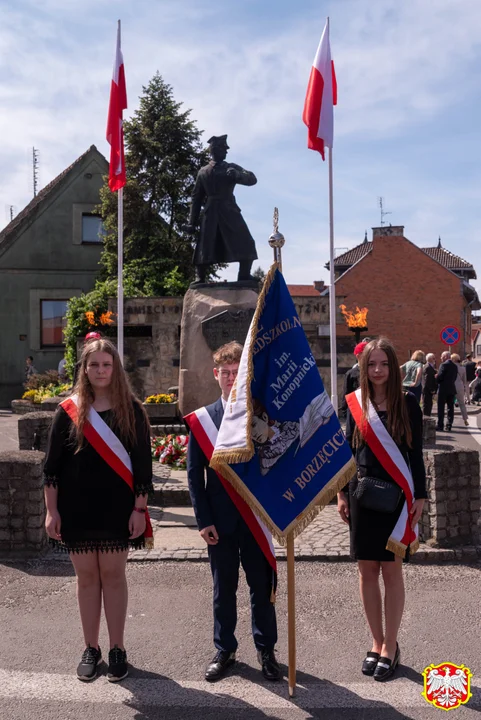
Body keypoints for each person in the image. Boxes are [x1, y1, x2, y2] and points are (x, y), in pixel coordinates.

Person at [43, 338, 153, 683]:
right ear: (85, 370)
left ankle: (117, 648)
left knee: (114, 577)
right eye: (94, 365)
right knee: (87, 579)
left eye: (106, 365)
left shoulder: (132, 410)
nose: (101, 371)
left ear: (115, 368)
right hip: (76, 510)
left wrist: (139, 509)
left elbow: (142, 467)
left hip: (117, 510)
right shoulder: (68, 411)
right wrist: (51, 511)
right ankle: (91, 648)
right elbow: (52, 468)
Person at [187, 342, 280, 682]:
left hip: (256, 518)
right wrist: (203, 520)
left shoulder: (260, 415)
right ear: (216, 376)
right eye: (224, 373)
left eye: (235, 372)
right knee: (223, 588)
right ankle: (224, 649)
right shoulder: (203, 419)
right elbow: (195, 475)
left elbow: (275, 463)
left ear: (243, 376)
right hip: (220, 523)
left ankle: (266, 650)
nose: (229, 378)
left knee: (261, 588)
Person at [337, 338, 426, 681]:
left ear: (393, 367)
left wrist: (420, 495)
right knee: (366, 571)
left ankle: (391, 645)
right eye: (371, 365)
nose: (377, 371)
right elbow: (349, 450)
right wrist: (342, 494)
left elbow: (415, 453)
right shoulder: (356, 403)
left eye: (383, 364)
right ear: (363, 368)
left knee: (391, 571)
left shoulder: (408, 403)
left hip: (397, 499)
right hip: (362, 493)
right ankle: (375, 642)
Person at [183, 135, 258, 283]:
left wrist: (238, 176)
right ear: (215, 150)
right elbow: (197, 198)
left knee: (246, 240)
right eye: (224, 149)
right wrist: (192, 222)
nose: (226, 152)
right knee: (205, 243)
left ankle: (244, 274)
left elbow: (252, 179)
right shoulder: (203, 172)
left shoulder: (231, 167)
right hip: (211, 212)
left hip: (230, 210)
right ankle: (200, 277)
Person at [340, 340, 371, 416]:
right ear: (358, 356)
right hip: (357, 413)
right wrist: (346, 414)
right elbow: (346, 395)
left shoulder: (374, 372)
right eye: (366, 354)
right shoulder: (351, 374)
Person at [436, 351, 458, 432]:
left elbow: (440, 377)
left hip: (443, 389)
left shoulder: (443, 365)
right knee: (450, 407)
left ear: (445, 356)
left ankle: (440, 425)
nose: (441, 358)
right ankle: (449, 425)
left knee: (441, 407)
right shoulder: (454, 366)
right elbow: (455, 377)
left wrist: (436, 377)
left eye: (442, 356)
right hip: (452, 388)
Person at [451, 354, 469, 426]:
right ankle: (465, 419)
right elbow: (464, 380)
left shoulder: (451, 367)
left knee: (450, 404)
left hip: (451, 386)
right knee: (462, 404)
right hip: (460, 386)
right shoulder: (463, 368)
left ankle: (450, 421)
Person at [422, 353, 437, 417]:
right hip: (427, 389)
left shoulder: (429, 366)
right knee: (427, 405)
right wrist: (431, 389)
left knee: (428, 404)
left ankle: (427, 417)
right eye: (433, 358)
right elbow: (428, 379)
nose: (435, 360)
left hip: (427, 388)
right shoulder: (428, 367)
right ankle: (426, 418)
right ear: (430, 359)